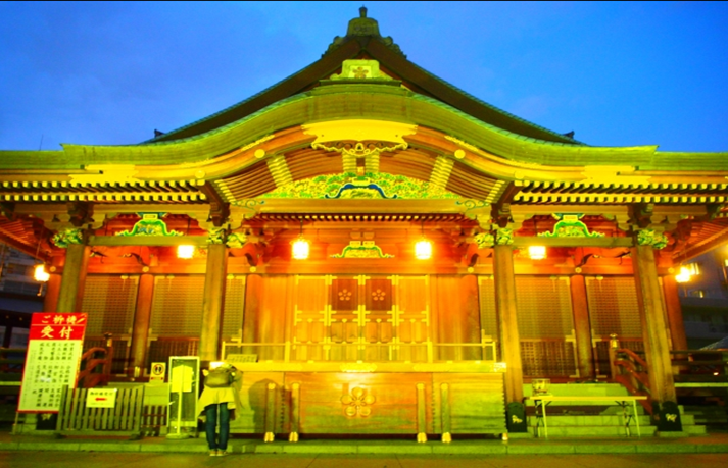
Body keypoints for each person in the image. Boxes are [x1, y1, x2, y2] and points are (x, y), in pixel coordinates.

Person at [198, 362, 241, 456]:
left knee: (210, 423)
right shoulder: (231, 373)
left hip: (209, 397)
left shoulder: (208, 372)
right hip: (226, 397)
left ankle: (212, 449)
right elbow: (239, 377)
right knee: (224, 423)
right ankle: (222, 449)